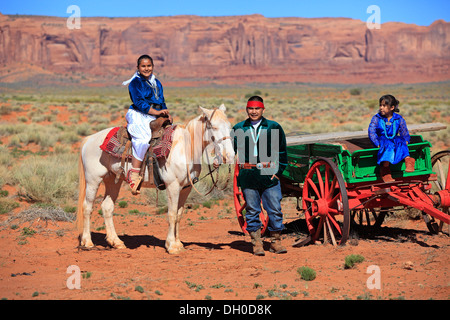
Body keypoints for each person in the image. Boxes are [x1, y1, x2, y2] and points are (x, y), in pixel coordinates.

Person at [232, 95, 288, 255]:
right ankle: (256, 243)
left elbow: (283, 152)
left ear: (263, 109)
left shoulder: (273, 127)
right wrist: (218, 159)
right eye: (251, 108)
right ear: (246, 109)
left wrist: (278, 173)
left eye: (257, 108)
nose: (254, 112)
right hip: (248, 175)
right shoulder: (238, 129)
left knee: (275, 209)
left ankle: (276, 242)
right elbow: (230, 151)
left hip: (269, 174)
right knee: (251, 210)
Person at [122, 54, 172, 195]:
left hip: (154, 113)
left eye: (149, 66)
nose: (146, 68)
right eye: (143, 66)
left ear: (153, 66)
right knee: (143, 138)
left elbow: (161, 100)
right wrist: (155, 112)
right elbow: (139, 102)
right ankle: (134, 175)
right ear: (138, 67)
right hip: (139, 113)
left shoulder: (157, 82)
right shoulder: (135, 83)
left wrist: (165, 112)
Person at [368, 94, 415, 183]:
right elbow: (371, 131)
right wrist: (376, 143)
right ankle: (385, 169)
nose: (381, 108)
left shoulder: (398, 118)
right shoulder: (376, 118)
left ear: (392, 107)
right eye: (380, 105)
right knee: (388, 145)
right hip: (382, 139)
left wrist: (406, 140)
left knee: (401, 141)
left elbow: (404, 130)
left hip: (394, 138)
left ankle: (408, 160)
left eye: (384, 106)